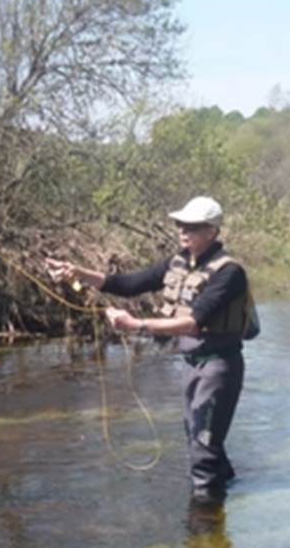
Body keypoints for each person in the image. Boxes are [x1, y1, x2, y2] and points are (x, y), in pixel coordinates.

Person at [46, 196, 258, 496]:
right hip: (192, 363)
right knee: (199, 438)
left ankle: (203, 527)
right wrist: (78, 273)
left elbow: (193, 323)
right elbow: (128, 284)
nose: (183, 231)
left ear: (211, 231)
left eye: (192, 227)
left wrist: (136, 325)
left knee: (204, 445)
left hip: (219, 366)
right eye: (180, 225)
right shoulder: (178, 262)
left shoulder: (229, 273)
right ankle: (222, 502)